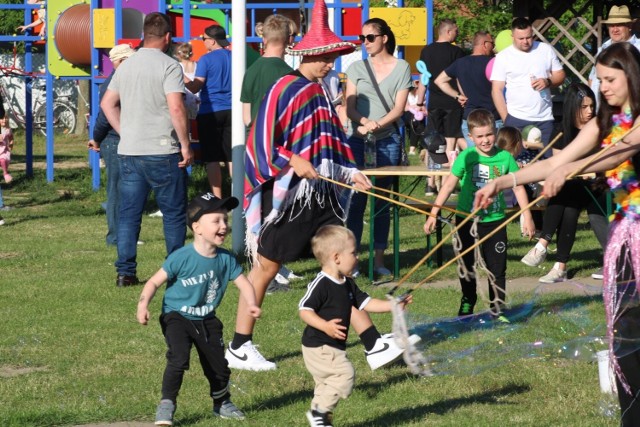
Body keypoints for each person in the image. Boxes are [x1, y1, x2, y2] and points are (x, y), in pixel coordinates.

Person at [227, 0, 415, 373]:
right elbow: (260, 140)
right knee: (265, 267)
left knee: (337, 262)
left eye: (334, 56)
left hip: (322, 195)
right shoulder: (286, 88)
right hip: (290, 198)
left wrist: (349, 172)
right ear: (309, 54)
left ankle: (373, 343)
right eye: (326, 56)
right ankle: (239, 345)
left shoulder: (319, 92)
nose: (332, 63)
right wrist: (290, 160)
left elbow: (329, 143)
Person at [474, 42, 640, 426]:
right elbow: (556, 160)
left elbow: (618, 153)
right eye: (599, 80)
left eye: (610, 80)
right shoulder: (603, 122)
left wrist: (571, 170)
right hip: (625, 240)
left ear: (632, 76)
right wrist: (504, 181)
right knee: (627, 340)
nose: (603, 88)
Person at [136, 193, 260, 425]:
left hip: (207, 318)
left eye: (225, 220)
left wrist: (252, 303)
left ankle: (222, 403)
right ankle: (166, 405)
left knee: (219, 366)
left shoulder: (226, 259)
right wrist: (143, 305)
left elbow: (244, 283)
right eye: (216, 221)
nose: (224, 226)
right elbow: (154, 282)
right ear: (197, 227)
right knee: (179, 358)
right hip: (177, 316)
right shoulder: (180, 257)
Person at [101, 12, 193, 287]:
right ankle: (173, 271)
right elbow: (176, 107)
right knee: (174, 214)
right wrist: (185, 144)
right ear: (167, 37)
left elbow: (107, 104)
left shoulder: (126, 65)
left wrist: (124, 131)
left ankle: (125, 272)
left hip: (130, 150)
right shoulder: (170, 66)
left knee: (129, 214)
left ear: (144, 35)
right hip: (163, 150)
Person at [424, 108, 535, 318]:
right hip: (467, 219)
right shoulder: (466, 156)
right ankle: (468, 299)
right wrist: (433, 213)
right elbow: (448, 186)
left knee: (497, 267)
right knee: (466, 265)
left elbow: (519, 187)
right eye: (480, 136)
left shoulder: (505, 158)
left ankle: (497, 307)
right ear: (471, 137)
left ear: (496, 131)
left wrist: (527, 216)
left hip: (495, 221)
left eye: (489, 134)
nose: (485, 140)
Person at [299, 225, 413, 427]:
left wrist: (394, 305)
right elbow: (304, 310)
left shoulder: (347, 283)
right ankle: (320, 414)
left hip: (333, 345)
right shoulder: (321, 284)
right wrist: (325, 325)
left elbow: (366, 303)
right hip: (318, 345)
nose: (358, 257)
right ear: (336, 257)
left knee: (325, 384)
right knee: (345, 375)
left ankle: (320, 419)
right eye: (353, 252)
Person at [519, 83, 610, 283]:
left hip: (598, 186)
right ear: (572, 107)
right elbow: (559, 166)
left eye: (591, 106)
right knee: (569, 204)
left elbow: (600, 165)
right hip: (574, 187)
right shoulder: (561, 131)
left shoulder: (596, 128)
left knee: (566, 194)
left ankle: (544, 245)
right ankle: (559, 266)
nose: (589, 111)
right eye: (584, 107)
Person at [344, 17, 412, 277]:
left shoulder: (402, 67)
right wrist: (363, 122)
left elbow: (399, 107)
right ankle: (351, 261)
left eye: (370, 37)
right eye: (362, 38)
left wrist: (377, 124)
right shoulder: (356, 68)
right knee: (356, 202)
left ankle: (379, 260)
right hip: (358, 140)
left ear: (384, 38)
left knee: (383, 203)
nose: (365, 43)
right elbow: (348, 106)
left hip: (388, 139)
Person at [239, 14, 302, 293]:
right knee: (276, 211)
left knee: (261, 210)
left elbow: (245, 117)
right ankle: (270, 271)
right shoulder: (288, 73)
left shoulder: (251, 70)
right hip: (280, 150)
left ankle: (274, 265)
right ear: (289, 40)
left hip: (255, 149)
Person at [491, 17, 565, 153]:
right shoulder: (503, 57)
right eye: (521, 38)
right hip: (516, 119)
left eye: (529, 37)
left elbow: (560, 75)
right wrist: (506, 119)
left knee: (547, 163)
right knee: (517, 165)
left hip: (544, 119)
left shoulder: (545, 49)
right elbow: (497, 90)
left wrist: (548, 81)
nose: (526, 41)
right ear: (512, 36)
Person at [88, 44, 135, 249]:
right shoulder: (112, 83)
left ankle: (123, 234)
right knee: (116, 189)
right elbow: (104, 117)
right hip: (113, 139)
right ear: (121, 61)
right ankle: (115, 236)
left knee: (126, 188)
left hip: (119, 138)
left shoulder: (122, 79)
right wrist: (97, 138)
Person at [185, 25, 232, 198]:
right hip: (232, 109)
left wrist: (182, 78)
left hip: (210, 110)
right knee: (232, 155)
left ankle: (217, 197)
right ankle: (238, 196)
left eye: (204, 39)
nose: (203, 42)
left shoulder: (206, 59)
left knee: (212, 158)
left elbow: (196, 86)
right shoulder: (234, 57)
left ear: (212, 40)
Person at [434, 31, 500, 148]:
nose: (493, 46)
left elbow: (439, 81)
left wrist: (457, 95)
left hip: (470, 119)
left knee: (474, 160)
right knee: (496, 161)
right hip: (493, 119)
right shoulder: (493, 63)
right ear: (485, 44)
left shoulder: (460, 63)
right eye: (492, 43)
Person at [416, 19, 466, 163]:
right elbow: (459, 79)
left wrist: (420, 102)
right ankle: (450, 173)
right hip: (453, 102)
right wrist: (463, 96)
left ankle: (431, 180)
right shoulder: (457, 52)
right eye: (456, 31)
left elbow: (423, 78)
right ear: (448, 31)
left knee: (433, 141)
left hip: (434, 103)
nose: (458, 34)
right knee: (451, 143)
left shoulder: (426, 51)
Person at [589, 5, 640, 106]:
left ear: (629, 26)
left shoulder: (638, 48)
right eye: (612, 25)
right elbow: (592, 79)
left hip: (629, 112)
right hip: (602, 112)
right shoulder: (603, 49)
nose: (615, 29)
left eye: (619, 25)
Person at [174, 42, 199, 121]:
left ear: (178, 54)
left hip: (183, 97)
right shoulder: (197, 65)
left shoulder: (177, 66)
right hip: (197, 98)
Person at [0, 116, 14, 183]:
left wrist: (11, 144)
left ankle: (5, 173)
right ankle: (5, 174)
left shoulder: (8, 129)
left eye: (6, 118)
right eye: (2, 119)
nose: (4, 120)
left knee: (3, 160)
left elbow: (11, 137)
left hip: (4, 150)